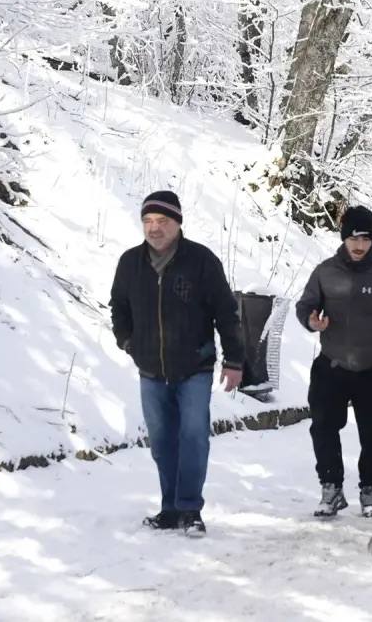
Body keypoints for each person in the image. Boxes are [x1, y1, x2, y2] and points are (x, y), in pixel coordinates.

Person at [110, 191, 246, 537]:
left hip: (194, 368)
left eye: (162, 222)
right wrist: (128, 341)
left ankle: (189, 509)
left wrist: (234, 360)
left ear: (177, 223)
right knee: (161, 441)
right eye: (148, 222)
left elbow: (227, 314)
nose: (154, 229)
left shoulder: (201, 261)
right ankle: (169, 508)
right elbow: (118, 307)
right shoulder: (130, 263)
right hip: (150, 370)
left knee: (194, 437)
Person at [296, 206, 372, 518]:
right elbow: (306, 305)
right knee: (323, 426)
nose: (360, 245)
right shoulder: (325, 272)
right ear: (344, 238)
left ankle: (370, 489)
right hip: (332, 364)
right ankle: (331, 487)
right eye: (354, 238)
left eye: (366, 238)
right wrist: (311, 320)